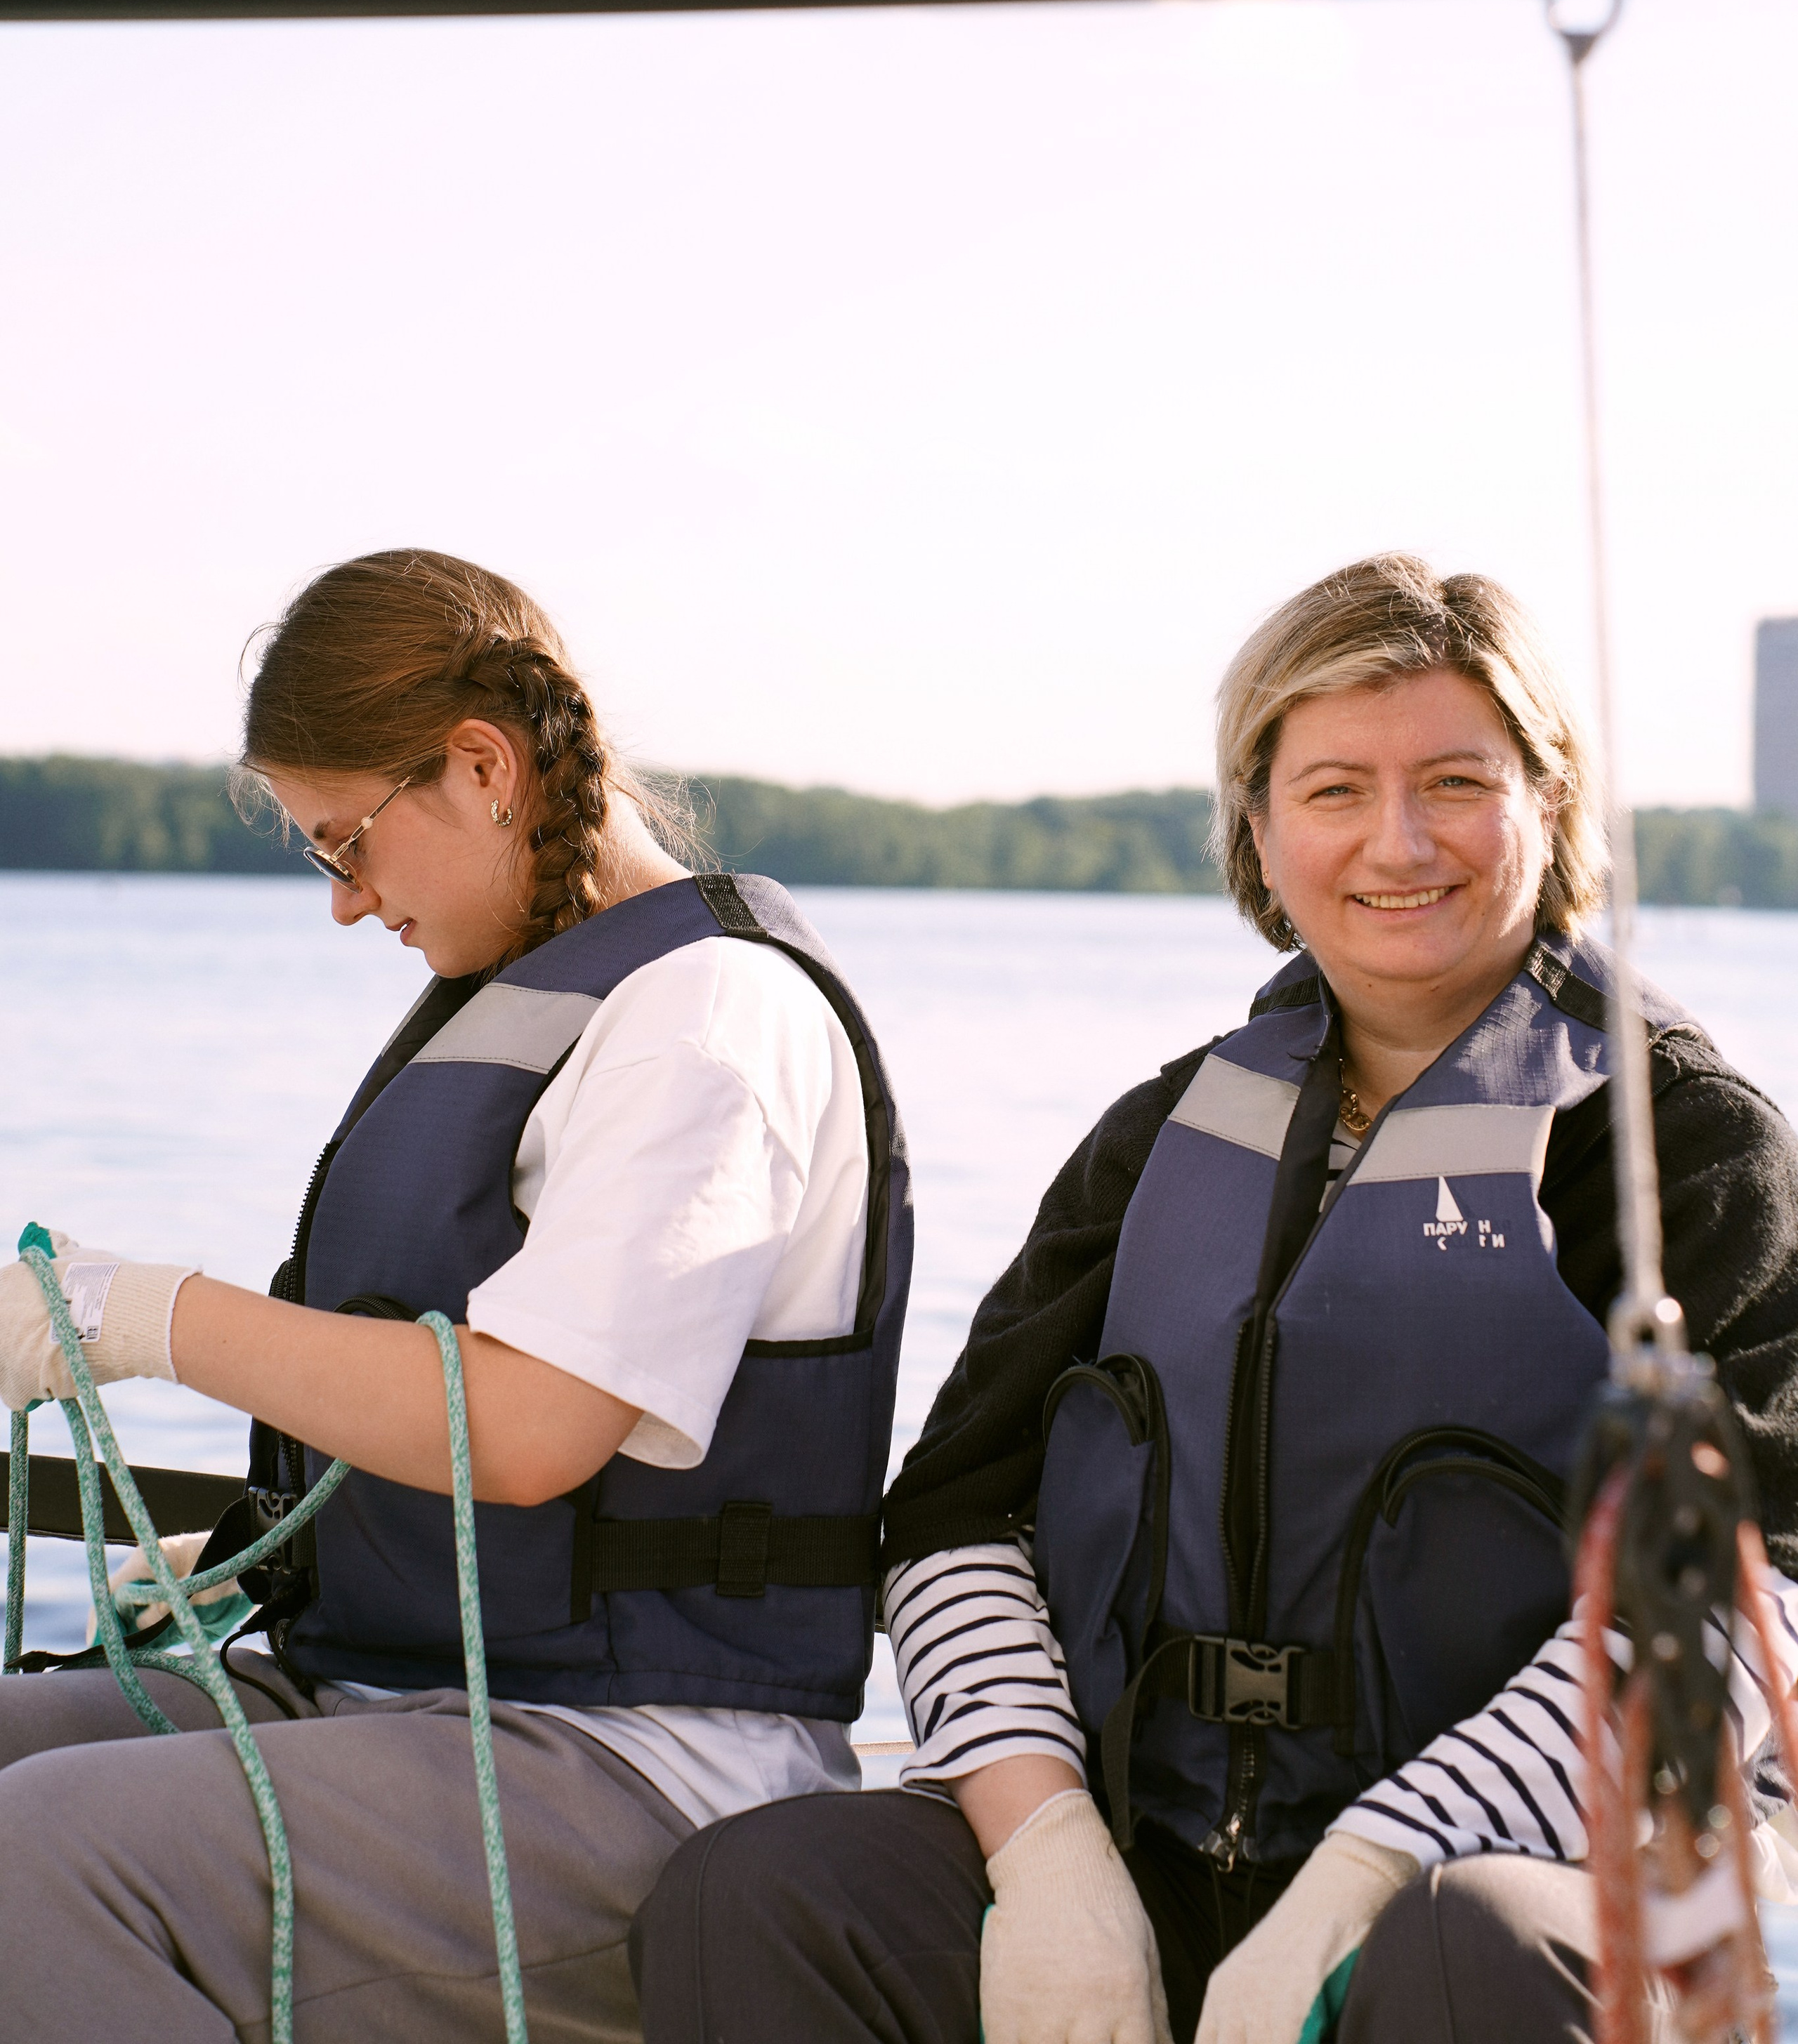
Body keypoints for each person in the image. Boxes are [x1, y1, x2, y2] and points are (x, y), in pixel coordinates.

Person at [633, 553, 1798, 2044]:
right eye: (1330, 790)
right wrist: (1048, 1851)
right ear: (1255, 823)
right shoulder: (1163, 1134)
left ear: (1549, 802)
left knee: (1477, 1945)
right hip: (1153, 1846)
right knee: (760, 1892)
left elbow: (1747, 1594)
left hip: (1516, 1883)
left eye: (1454, 780)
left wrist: (1365, 1873)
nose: (1395, 841)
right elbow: (947, 1516)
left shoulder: (1674, 1147)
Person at [0, 548, 912, 2043]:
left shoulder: (709, 1014)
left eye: (345, 842)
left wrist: (143, 1315)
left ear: (482, 768)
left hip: (633, 1763)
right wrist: (277, 1549)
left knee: (36, 1863)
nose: (348, 904)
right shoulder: (538, 995)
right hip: (382, 1692)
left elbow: (536, 1426)